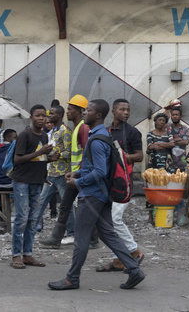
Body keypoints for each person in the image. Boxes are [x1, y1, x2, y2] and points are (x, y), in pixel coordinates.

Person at [48, 99, 145, 291]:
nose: (85, 113)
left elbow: (99, 172)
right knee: (108, 235)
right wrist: (78, 173)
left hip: (92, 196)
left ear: (98, 115)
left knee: (82, 239)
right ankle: (134, 269)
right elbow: (96, 167)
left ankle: (72, 278)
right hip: (102, 195)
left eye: (88, 111)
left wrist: (78, 182)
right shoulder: (102, 135)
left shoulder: (96, 140)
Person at [40, 94, 98, 249]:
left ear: (79, 111)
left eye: (70, 109)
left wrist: (79, 173)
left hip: (80, 175)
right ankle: (57, 238)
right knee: (66, 206)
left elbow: (87, 153)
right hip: (75, 174)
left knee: (79, 207)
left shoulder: (82, 128)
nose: (67, 112)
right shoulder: (76, 128)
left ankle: (92, 239)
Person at [96, 98, 145, 273]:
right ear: (114, 111)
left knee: (115, 219)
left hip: (123, 182)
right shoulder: (107, 131)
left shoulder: (132, 132)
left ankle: (134, 251)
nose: (126, 112)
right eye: (122, 109)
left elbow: (139, 156)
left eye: (128, 110)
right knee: (108, 222)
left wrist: (123, 156)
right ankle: (119, 259)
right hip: (107, 182)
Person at [10, 104, 59, 269]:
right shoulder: (24, 135)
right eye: (37, 115)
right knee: (21, 218)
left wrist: (50, 158)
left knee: (33, 220)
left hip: (37, 181)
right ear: (31, 117)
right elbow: (17, 159)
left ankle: (28, 254)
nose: (41, 118)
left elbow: (39, 160)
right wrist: (41, 152)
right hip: (22, 181)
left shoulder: (44, 137)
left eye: (43, 116)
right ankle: (16, 255)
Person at [35, 105, 74, 236]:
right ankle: (31, 229)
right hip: (51, 173)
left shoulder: (65, 131)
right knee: (41, 202)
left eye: (51, 113)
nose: (48, 115)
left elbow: (69, 152)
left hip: (62, 174)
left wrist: (57, 155)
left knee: (66, 205)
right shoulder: (53, 131)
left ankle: (72, 232)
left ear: (59, 115)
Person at [166, 107, 189, 172]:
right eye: (173, 115)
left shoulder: (184, 128)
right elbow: (167, 142)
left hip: (181, 162)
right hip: (169, 162)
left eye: (177, 115)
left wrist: (173, 141)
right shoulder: (167, 128)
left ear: (180, 116)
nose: (175, 116)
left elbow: (186, 142)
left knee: (181, 180)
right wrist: (178, 140)